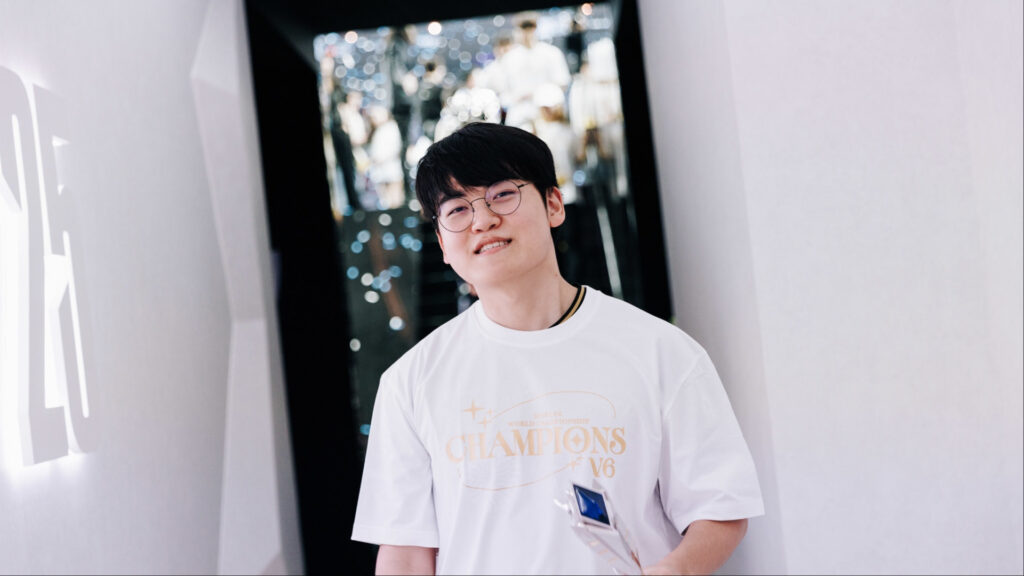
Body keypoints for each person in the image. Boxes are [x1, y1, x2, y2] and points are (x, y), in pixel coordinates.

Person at [352, 123, 764, 574]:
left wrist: (674, 570)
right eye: (456, 209)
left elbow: (720, 508)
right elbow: (406, 553)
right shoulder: (410, 382)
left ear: (553, 204)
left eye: (502, 194)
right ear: (443, 244)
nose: (483, 220)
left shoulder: (660, 351)